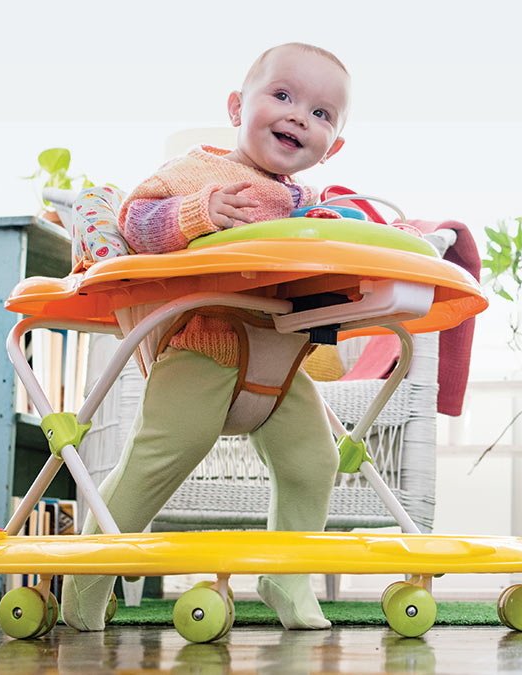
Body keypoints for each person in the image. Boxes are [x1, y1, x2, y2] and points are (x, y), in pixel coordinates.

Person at [60, 42, 351, 632]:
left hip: (280, 359)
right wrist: (198, 212)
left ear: (333, 146)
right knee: (158, 459)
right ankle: (86, 584)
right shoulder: (199, 172)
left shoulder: (311, 205)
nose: (299, 116)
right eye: (283, 95)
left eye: (321, 113)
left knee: (313, 461)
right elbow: (135, 223)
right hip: (204, 345)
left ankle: (286, 577)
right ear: (237, 107)